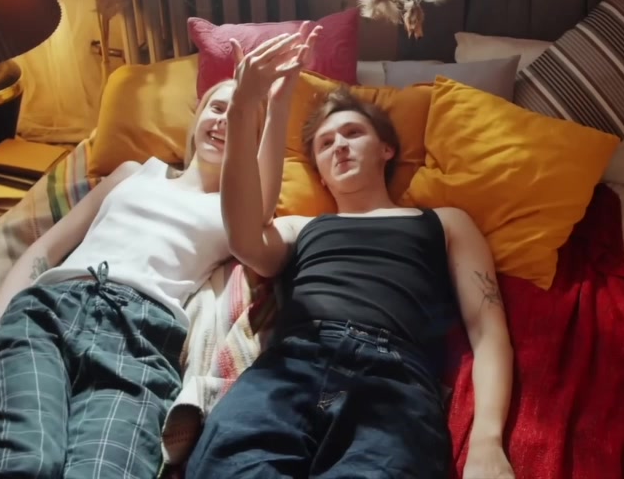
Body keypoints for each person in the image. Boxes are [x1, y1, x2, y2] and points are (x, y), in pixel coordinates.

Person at [0, 30, 316, 479]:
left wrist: (274, 104)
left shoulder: (234, 213)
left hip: (141, 339)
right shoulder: (134, 173)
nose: (223, 121)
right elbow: (47, 247)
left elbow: (258, 209)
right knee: (28, 462)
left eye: (237, 117)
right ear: (196, 119)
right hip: (50, 311)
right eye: (216, 108)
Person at [186, 50, 516, 478]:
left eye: (353, 133)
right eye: (325, 144)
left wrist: (488, 441)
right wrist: (246, 108)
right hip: (292, 364)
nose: (339, 145)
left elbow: (488, 331)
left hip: (394, 379)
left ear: (386, 149)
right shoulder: (301, 226)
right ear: (321, 175)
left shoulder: (445, 222)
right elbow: (246, 239)